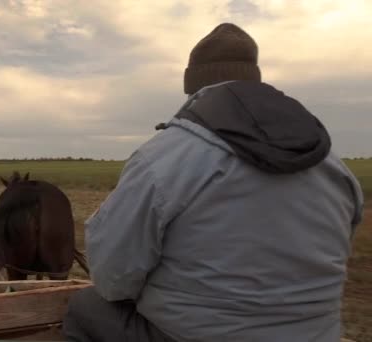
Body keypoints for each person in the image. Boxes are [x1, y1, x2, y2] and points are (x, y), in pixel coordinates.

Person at [62, 22, 364, 342]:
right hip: (318, 335)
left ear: (194, 88)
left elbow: (112, 278)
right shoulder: (333, 166)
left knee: (84, 307)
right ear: (254, 80)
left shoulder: (165, 157)